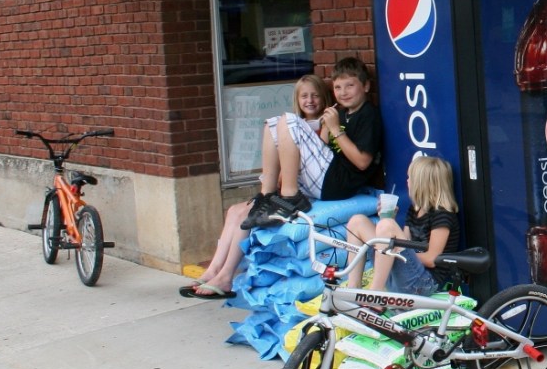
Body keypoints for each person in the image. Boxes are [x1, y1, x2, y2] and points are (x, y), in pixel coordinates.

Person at [181, 74, 328, 299]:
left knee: (244, 215)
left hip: (306, 190)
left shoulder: (319, 124)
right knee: (234, 210)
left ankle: (226, 276)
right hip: (282, 188)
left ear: (324, 98)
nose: (310, 100)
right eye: (304, 96)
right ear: (296, 99)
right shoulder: (286, 128)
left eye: (315, 95)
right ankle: (213, 270)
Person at [241, 55, 383, 229]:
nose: (343, 92)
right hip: (325, 177)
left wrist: (336, 130)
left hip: (338, 183)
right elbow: (323, 148)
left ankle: (290, 196)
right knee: (272, 124)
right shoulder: (341, 113)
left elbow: (362, 162)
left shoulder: (368, 114)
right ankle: (267, 195)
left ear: (366, 86)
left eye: (350, 86)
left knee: (289, 120)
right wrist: (326, 128)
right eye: (338, 87)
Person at [344, 154, 460, 296]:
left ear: (421, 183)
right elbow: (404, 241)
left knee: (387, 226)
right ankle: (353, 288)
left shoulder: (442, 214)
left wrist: (394, 247)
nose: (407, 181)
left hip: (424, 283)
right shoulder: (415, 209)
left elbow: (431, 259)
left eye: (410, 178)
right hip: (403, 276)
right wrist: (387, 221)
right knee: (357, 222)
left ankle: (375, 294)